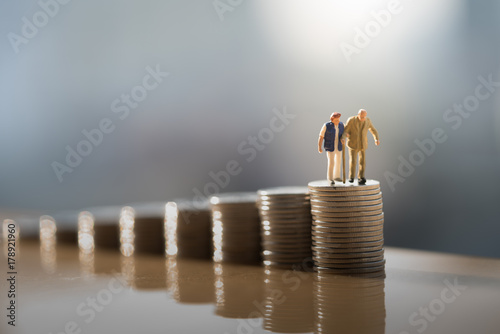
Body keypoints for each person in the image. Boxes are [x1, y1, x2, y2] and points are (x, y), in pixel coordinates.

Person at [341, 109, 380, 185]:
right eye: (361, 117)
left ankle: (361, 177)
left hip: (363, 145)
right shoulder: (351, 120)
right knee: (353, 161)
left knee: (362, 162)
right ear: (358, 115)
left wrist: (376, 138)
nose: (363, 119)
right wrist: (343, 137)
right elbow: (346, 131)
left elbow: (373, 130)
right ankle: (351, 177)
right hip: (353, 144)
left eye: (364, 117)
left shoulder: (367, 121)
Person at [318, 112, 344, 185]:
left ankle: (337, 176)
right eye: (336, 120)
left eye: (339, 119)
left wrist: (345, 137)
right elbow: (321, 136)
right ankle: (330, 178)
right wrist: (319, 147)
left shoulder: (341, 125)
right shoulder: (326, 126)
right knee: (331, 162)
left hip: (338, 146)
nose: (338, 121)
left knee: (338, 162)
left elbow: (344, 134)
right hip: (330, 147)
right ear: (332, 120)